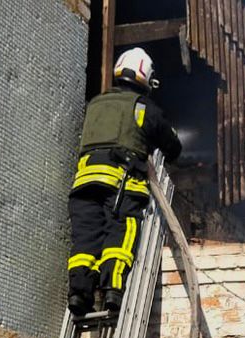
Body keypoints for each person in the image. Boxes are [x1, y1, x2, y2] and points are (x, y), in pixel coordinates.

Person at [67, 46, 182, 320]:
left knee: (85, 239)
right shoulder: (144, 108)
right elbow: (172, 147)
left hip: (84, 182)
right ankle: (112, 290)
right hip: (121, 183)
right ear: (146, 77)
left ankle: (79, 293)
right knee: (122, 231)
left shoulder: (95, 103)